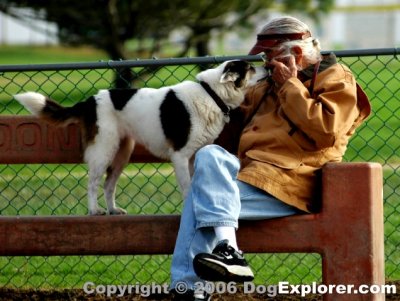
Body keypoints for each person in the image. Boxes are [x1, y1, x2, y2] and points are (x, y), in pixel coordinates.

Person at [170, 16, 371, 301]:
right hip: (251, 180)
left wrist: (290, 85)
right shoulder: (267, 84)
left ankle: (188, 289)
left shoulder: (336, 79)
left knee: (201, 199)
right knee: (210, 157)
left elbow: (325, 131)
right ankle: (228, 251)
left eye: (269, 54)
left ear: (297, 54)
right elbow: (227, 130)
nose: (264, 62)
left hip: (290, 185)